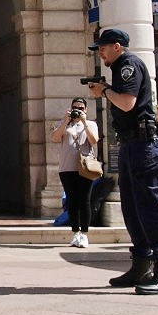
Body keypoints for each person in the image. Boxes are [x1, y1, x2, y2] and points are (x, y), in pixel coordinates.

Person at [87, 28, 158, 294]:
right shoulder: (120, 67)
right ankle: (141, 265)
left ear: (117, 46)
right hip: (132, 144)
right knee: (132, 208)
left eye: (103, 48)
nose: (100, 53)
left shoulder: (129, 65)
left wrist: (104, 91)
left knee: (150, 206)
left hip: (144, 145)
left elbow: (127, 103)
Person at [51, 98, 101, 247]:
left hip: (85, 168)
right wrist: (66, 121)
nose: (78, 110)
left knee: (84, 200)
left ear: (86, 110)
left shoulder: (91, 124)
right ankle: (75, 233)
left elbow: (94, 140)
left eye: (81, 108)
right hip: (67, 167)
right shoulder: (64, 123)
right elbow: (55, 138)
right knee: (72, 201)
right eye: (75, 107)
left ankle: (84, 233)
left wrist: (84, 122)